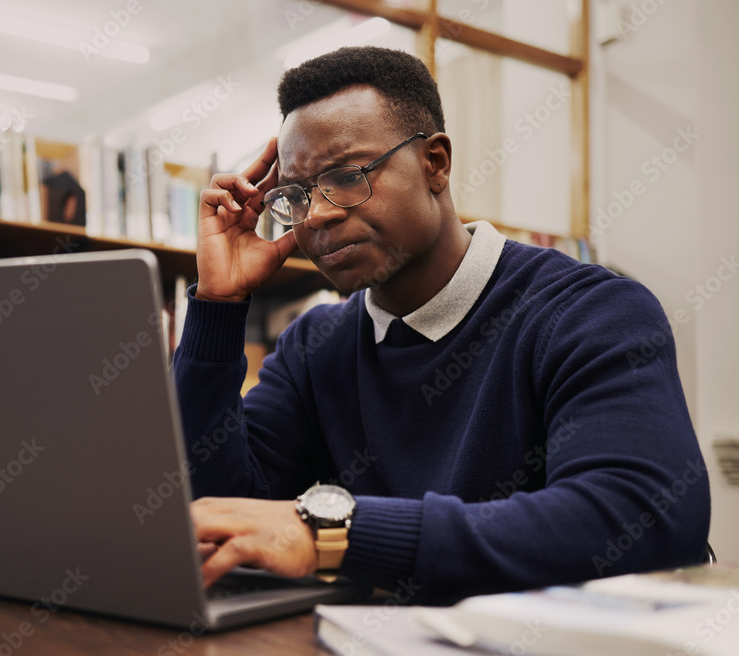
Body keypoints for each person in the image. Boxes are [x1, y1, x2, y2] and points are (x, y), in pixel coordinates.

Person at [175, 46, 710, 605]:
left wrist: (333, 535)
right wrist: (219, 303)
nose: (321, 215)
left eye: (348, 175)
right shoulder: (316, 345)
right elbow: (213, 512)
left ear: (436, 163)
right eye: (298, 195)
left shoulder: (591, 312)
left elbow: (643, 518)